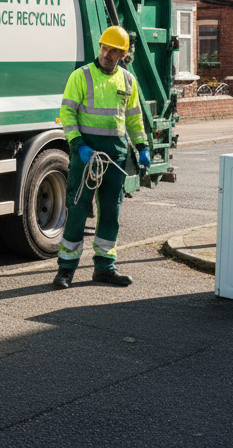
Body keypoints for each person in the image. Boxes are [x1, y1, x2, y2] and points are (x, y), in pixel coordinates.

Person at [53, 25, 150, 289]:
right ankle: (66, 270)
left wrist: (142, 147)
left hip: (115, 156)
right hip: (86, 155)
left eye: (114, 51)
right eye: (104, 48)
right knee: (77, 211)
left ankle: (105, 268)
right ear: (100, 47)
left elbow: (133, 118)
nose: (107, 54)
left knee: (111, 212)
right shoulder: (80, 76)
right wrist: (78, 145)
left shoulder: (128, 81)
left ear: (122, 54)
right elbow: (68, 114)